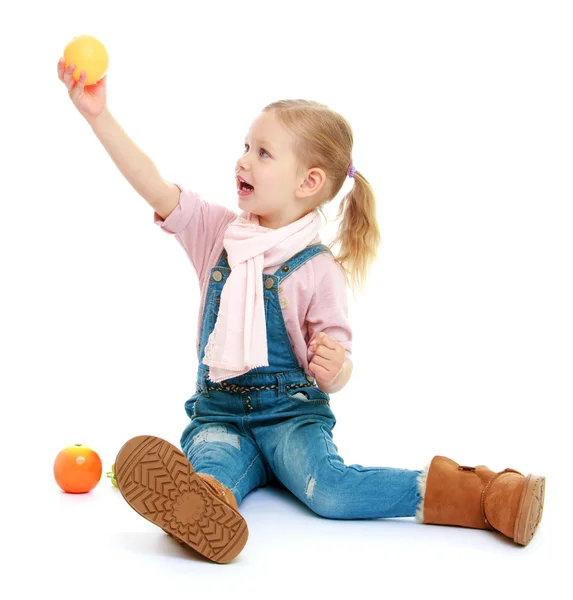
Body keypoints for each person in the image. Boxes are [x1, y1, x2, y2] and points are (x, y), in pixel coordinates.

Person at [58, 58, 545, 564]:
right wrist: (99, 116)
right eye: (245, 147)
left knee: (330, 490)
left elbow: (339, 361)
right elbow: (154, 185)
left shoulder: (318, 270)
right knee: (213, 468)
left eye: (262, 152)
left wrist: (336, 369)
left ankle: (486, 497)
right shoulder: (216, 234)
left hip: (292, 417)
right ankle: (205, 508)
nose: (243, 161)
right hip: (220, 414)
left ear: (308, 182)